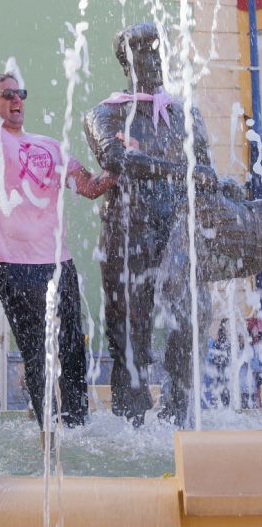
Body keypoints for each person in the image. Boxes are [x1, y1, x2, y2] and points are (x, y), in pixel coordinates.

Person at [0, 7, 119, 431]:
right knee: (38, 350)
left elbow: (89, 186)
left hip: (58, 263)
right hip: (12, 265)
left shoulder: (51, 146)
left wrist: (124, 162)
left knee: (73, 349)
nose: (17, 100)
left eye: (21, 95)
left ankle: (77, 431)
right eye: (7, 94)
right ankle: (48, 431)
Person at [84, 21, 262, 427]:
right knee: (132, 340)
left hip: (182, 236)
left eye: (156, 47)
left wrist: (227, 191)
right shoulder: (104, 114)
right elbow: (115, 159)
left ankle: (178, 418)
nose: (154, 57)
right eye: (143, 49)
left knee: (193, 317)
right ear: (125, 60)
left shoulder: (187, 117)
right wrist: (177, 173)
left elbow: (205, 178)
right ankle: (131, 432)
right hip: (127, 238)